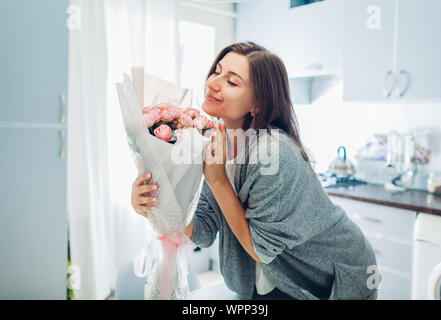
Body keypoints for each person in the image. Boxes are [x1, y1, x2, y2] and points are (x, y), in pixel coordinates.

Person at [131, 42, 379, 300]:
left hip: (333, 275)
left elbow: (261, 248)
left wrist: (218, 180)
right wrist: (155, 204)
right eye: (216, 71)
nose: (213, 83)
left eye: (232, 82)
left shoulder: (275, 154)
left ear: (257, 104)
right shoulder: (213, 140)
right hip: (271, 279)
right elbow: (203, 229)